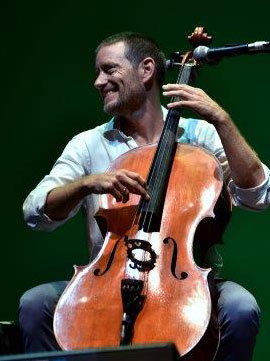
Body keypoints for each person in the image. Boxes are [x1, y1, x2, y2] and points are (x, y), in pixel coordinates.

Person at [21, 32, 270, 360]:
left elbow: (259, 196)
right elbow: (34, 213)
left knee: (241, 308)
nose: (99, 81)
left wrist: (221, 120)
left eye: (109, 70)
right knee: (35, 303)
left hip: (185, 283)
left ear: (147, 69)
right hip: (105, 285)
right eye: (97, 73)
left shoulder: (201, 136)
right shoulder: (88, 144)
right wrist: (85, 183)